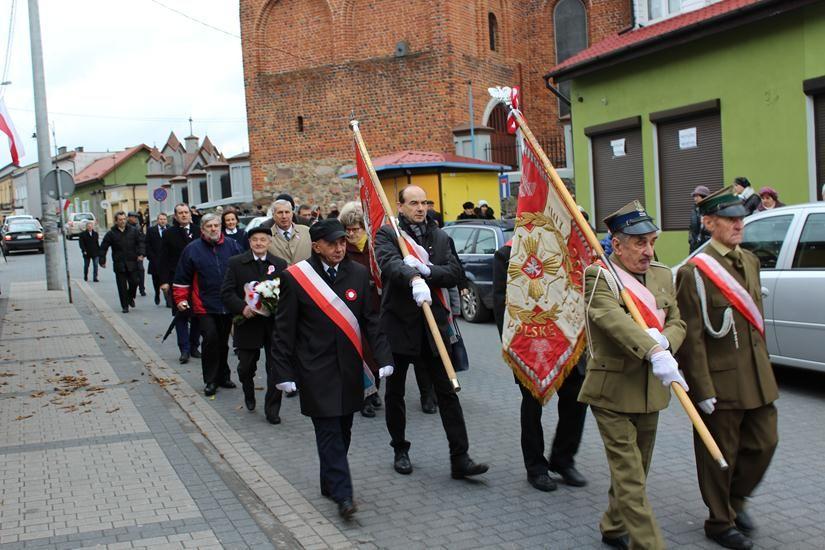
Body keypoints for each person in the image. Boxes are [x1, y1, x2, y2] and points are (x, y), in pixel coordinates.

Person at [579, 200, 687, 550]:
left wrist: (665, 341)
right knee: (630, 477)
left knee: (636, 469)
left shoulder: (662, 274)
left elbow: (677, 321)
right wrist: (653, 348)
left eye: (652, 241)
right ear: (617, 244)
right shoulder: (600, 276)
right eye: (639, 243)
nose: (648, 250)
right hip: (611, 391)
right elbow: (612, 320)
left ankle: (613, 525)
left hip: (650, 390)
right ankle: (649, 544)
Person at [675, 187, 779, 550]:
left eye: (740, 218)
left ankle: (735, 503)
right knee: (720, 455)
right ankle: (720, 521)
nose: (739, 224)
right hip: (720, 382)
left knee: (765, 442)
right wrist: (700, 390)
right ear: (708, 223)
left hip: (755, 375)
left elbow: (756, 322)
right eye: (730, 219)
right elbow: (692, 338)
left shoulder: (748, 261)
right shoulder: (694, 273)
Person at [271, 219, 395, 520]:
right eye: (333, 243)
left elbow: (372, 321)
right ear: (316, 246)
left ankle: (330, 481)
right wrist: (283, 374)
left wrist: (383, 357)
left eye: (343, 242)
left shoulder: (358, 273)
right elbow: (283, 330)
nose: (340, 248)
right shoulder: (297, 278)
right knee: (328, 431)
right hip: (314, 368)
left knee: (343, 429)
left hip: (350, 368)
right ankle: (344, 495)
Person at [374, 185, 489, 479]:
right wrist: (410, 276)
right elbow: (389, 264)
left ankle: (460, 457)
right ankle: (400, 449)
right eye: (413, 203)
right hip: (399, 325)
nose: (420, 208)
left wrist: (426, 272)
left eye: (424, 202)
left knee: (448, 392)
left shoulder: (440, 236)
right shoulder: (389, 234)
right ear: (400, 206)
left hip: (433, 327)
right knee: (395, 394)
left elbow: (454, 272)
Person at [493, 242, 588, 492]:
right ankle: (536, 467)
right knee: (532, 405)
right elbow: (501, 302)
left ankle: (563, 459)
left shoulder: (567, 248)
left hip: (566, 339)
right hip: (530, 340)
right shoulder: (507, 253)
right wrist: (512, 345)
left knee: (577, 398)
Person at [220, 226, 288, 424]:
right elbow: (226, 292)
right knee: (246, 367)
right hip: (248, 323)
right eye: (255, 240)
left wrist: (277, 306)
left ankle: (272, 409)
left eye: (263, 240)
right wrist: (243, 308)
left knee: (275, 367)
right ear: (249, 242)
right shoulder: (236, 263)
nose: (259, 243)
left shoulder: (279, 264)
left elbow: (286, 292)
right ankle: (248, 390)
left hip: (272, 324)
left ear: (269, 242)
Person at [173, 213, 243, 396]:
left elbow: (242, 271)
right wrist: (180, 299)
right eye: (209, 226)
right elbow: (182, 277)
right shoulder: (192, 249)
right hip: (203, 304)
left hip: (227, 303)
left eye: (216, 225)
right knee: (210, 339)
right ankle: (211, 380)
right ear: (202, 229)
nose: (213, 229)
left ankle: (223, 376)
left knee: (223, 342)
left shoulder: (232, 246)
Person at [338, 201, 383, 418]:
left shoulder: (374, 248)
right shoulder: (342, 251)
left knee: (378, 352)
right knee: (361, 353)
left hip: (377, 308)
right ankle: (364, 396)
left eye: (356, 229)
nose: (352, 234)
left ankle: (376, 391)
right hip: (353, 309)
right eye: (348, 230)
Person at [159, 203, 202, 364]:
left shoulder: (199, 231)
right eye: (180, 213)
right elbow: (163, 259)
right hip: (177, 280)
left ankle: (194, 346)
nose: (184, 215)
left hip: (198, 280)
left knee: (197, 315)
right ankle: (184, 349)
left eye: (186, 212)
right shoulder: (169, 233)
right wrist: (163, 281)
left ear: (191, 215)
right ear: (175, 217)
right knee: (181, 316)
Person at [99, 211, 146, 313]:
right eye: (120, 220)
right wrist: (102, 259)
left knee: (135, 281)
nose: (123, 221)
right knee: (122, 286)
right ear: (116, 221)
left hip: (132, 262)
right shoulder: (111, 233)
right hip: (119, 263)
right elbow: (103, 247)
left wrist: (141, 253)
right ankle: (125, 306)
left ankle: (130, 297)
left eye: (124, 219)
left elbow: (141, 242)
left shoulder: (133, 231)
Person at [266, 199, 312, 266]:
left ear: (292, 214)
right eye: (280, 212)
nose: (284, 216)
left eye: (287, 212)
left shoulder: (307, 231)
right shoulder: (267, 236)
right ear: (273, 215)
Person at [146, 213, 169, 305]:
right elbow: (147, 244)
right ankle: (157, 293)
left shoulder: (170, 229)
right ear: (157, 220)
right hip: (155, 260)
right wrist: (151, 257)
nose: (162, 221)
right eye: (161, 219)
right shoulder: (151, 230)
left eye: (164, 219)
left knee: (167, 280)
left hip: (167, 261)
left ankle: (168, 300)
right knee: (156, 280)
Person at [127, 211, 147, 297]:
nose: (136, 219)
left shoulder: (138, 227)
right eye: (134, 217)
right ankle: (132, 291)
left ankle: (142, 289)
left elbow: (142, 241)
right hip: (129, 255)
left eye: (136, 217)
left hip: (138, 254)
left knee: (141, 270)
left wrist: (142, 254)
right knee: (132, 275)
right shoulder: (126, 227)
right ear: (129, 218)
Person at [689, 185, 711, 252]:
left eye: (697, 196)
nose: (695, 199)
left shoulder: (711, 210)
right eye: (694, 196)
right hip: (694, 246)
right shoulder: (695, 210)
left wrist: (705, 225)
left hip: (706, 246)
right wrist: (691, 241)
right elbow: (691, 228)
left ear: (704, 197)